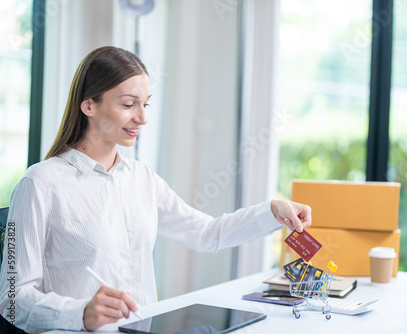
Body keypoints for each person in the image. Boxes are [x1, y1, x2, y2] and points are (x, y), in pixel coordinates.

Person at [0, 46, 311, 333]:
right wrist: (81, 312)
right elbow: (11, 299)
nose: (142, 117)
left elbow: (207, 233)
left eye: (145, 104)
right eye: (128, 104)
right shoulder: (39, 184)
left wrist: (272, 210)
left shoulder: (142, 178)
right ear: (89, 106)